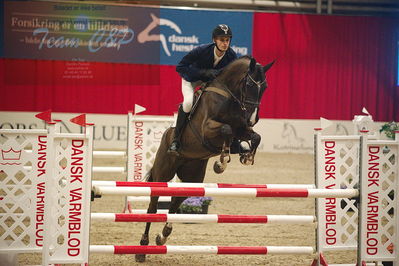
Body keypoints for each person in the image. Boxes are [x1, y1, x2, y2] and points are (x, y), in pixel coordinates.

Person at [167, 24, 238, 155]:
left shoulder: (232, 56)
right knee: (188, 103)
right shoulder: (201, 50)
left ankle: (235, 142)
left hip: (210, 84)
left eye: (227, 40)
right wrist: (203, 73)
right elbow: (181, 67)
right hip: (191, 79)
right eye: (222, 40)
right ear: (214, 40)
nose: (225, 43)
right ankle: (175, 140)